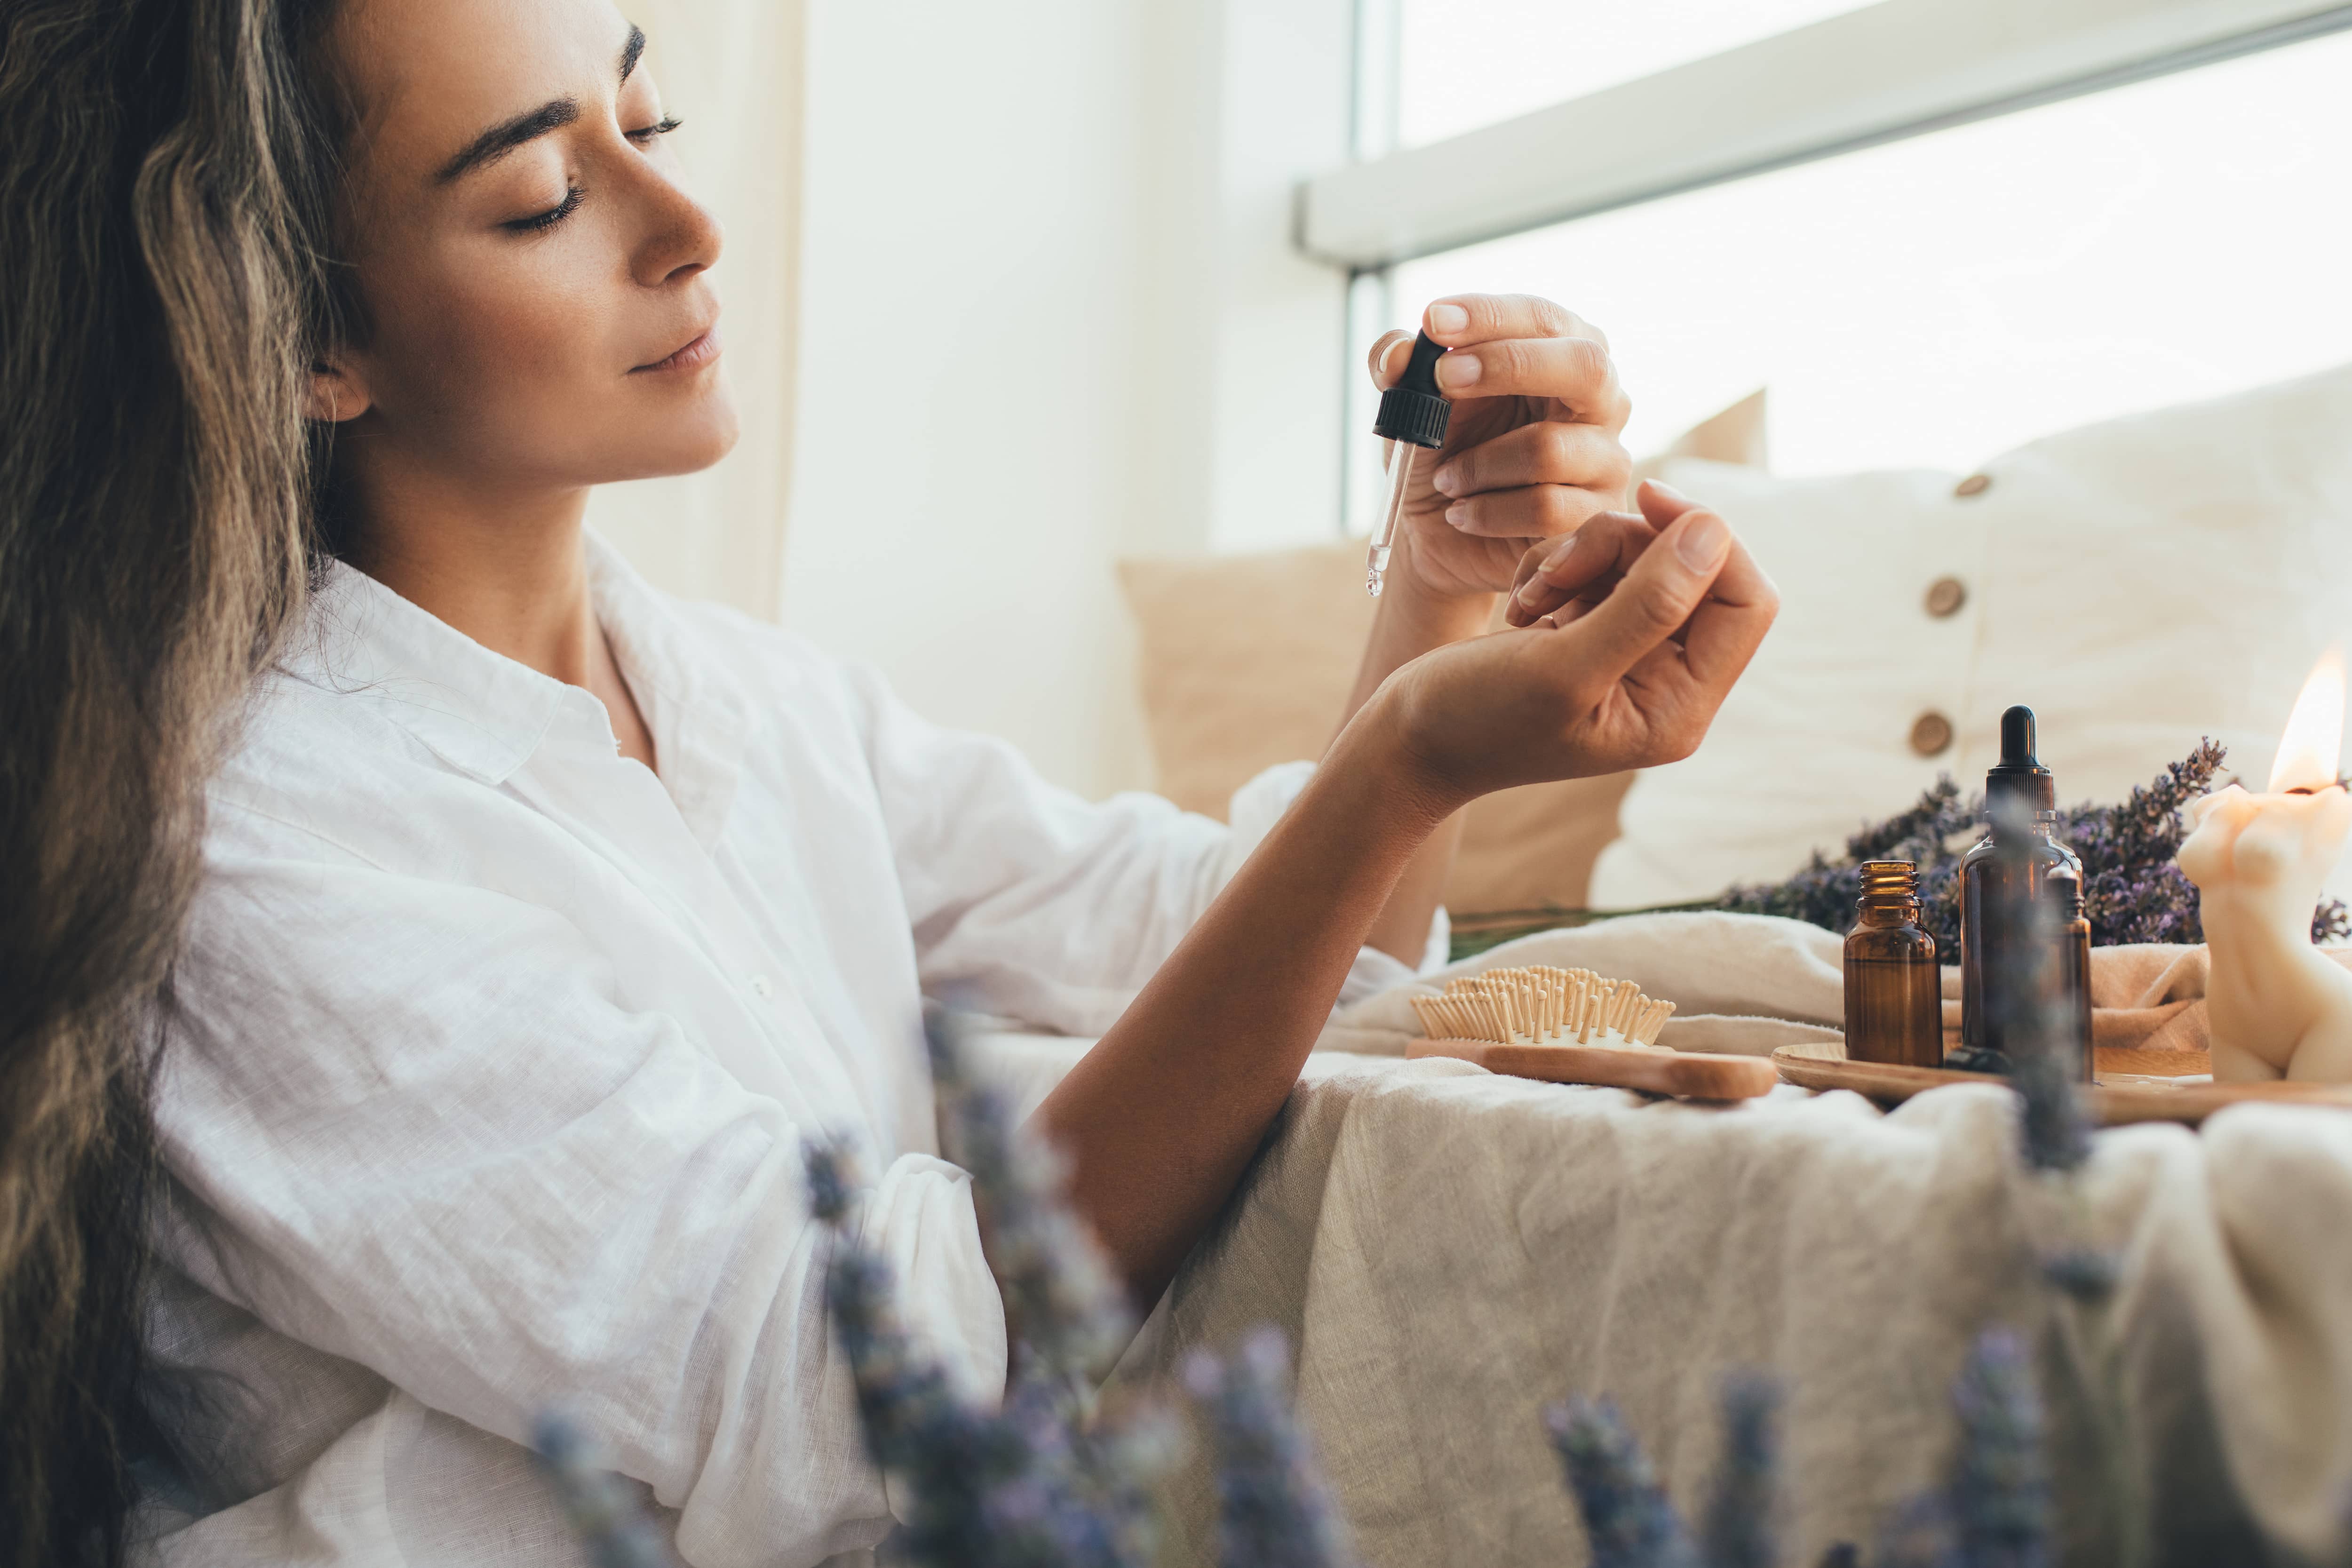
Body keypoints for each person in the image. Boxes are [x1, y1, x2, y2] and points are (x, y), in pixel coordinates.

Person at [0, 0, 1777, 1562]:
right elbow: (854, 1383)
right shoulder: (244, 847)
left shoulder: (754, 706)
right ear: (314, 344)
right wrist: (1404, 758)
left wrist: (1434, 599)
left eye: (650, 122)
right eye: (544, 197)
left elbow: (1250, 956)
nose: (690, 225)